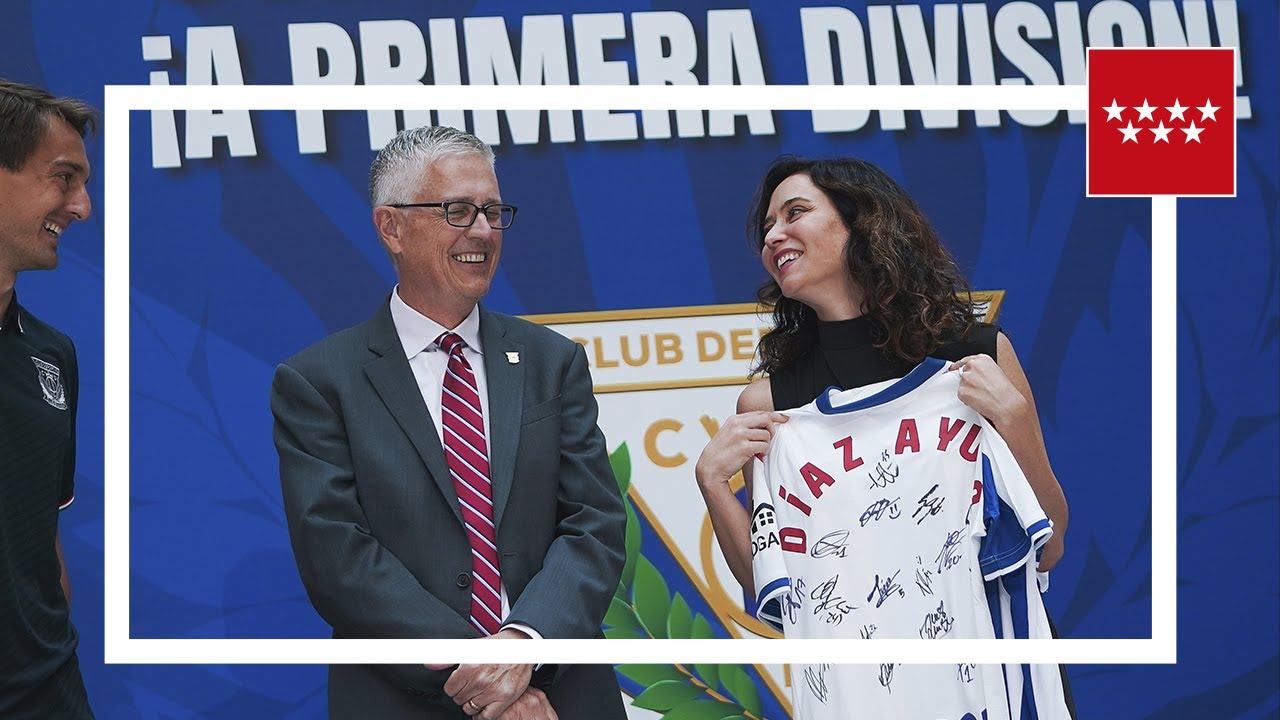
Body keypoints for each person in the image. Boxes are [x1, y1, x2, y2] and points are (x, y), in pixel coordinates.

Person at [695, 156, 1075, 717]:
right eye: (767, 227)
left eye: (795, 212)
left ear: (862, 223)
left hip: (995, 679)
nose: (775, 235)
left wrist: (1014, 421)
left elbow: (1051, 546)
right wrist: (711, 483)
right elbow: (777, 585)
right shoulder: (774, 407)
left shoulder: (973, 357)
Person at [270, 125, 627, 720]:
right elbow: (338, 557)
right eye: (459, 211)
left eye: (492, 211)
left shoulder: (551, 361)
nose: (483, 231)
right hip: (404, 701)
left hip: (560, 696)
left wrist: (524, 647)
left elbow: (594, 522)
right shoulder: (319, 381)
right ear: (392, 227)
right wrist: (485, 676)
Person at [0, 79, 96, 719]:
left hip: (46, 693)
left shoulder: (51, 354)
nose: (83, 207)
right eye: (63, 179)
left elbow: (44, 538)